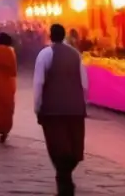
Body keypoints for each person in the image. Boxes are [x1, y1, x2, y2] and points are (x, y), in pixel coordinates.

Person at [34, 24, 89, 196]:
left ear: (50, 36)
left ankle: (63, 179)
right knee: (74, 146)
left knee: (57, 147)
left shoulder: (45, 54)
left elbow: (38, 83)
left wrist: (37, 107)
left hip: (53, 110)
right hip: (75, 110)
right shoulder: (75, 54)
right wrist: (82, 103)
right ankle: (65, 179)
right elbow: (84, 84)